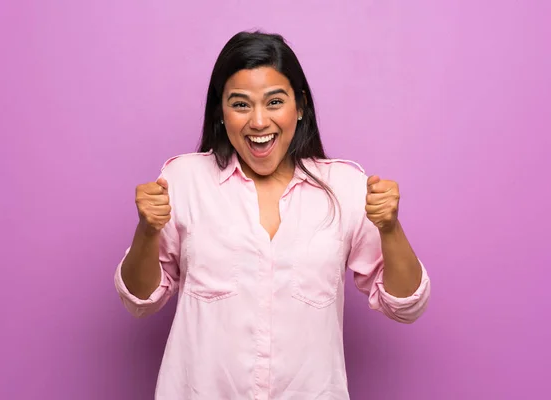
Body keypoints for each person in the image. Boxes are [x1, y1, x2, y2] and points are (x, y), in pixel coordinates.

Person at [114, 30, 431, 399]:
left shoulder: (345, 187)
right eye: (241, 104)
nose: (259, 122)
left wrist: (390, 229)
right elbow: (139, 301)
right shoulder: (182, 181)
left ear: (300, 106)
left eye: (274, 101)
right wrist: (147, 231)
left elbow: (406, 306)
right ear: (221, 111)